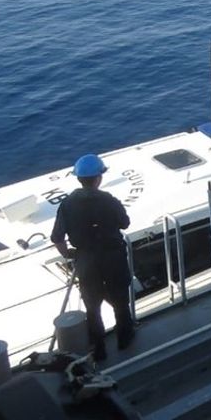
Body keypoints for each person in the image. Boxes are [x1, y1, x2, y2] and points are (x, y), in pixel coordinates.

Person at [51, 153, 135, 361]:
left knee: (92, 305)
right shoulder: (109, 200)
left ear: (79, 178)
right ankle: (125, 338)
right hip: (113, 257)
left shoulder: (67, 204)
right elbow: (125, 223)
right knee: (120, 298)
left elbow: (57, 237)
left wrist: (69, 254)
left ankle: (98, 348)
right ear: (98, 178)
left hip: (86, 260)